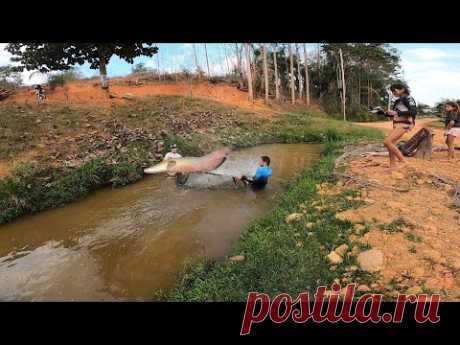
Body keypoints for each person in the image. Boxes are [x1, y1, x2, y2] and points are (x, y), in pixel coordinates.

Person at [383, 83, 417, 170]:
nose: (393, 92)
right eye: (392, 91)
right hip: (397, 124)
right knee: (392, 143)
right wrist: (383, 113)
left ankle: (403, 161)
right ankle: (392, 165)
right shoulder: (398, 101)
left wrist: (397, 113)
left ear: (402, 89)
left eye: (394, 90)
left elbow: (413, 112)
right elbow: (394, 114)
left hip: (405, 124)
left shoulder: (408, 98)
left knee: (387, 142)